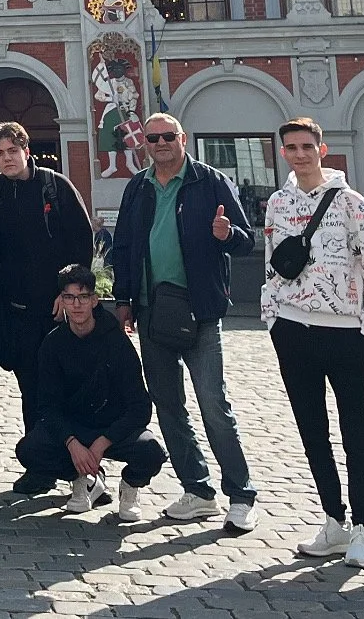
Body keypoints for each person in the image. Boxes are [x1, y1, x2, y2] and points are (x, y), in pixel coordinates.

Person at [108, 112, 259, 531]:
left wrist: (227, 235)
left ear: (183, 138)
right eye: (153, 138)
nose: (160, 143)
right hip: (151, 311)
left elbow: (246, 242)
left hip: (200, 311)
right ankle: (197, 489)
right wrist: (124, 300)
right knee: (169, 407)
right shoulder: (138, 186)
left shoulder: (209, 181)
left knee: (214, 406)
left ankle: (241, 493)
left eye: (167, 136)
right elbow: (123, 246)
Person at [260, 117, 364, 569]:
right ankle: (333, 521)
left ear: (322, 148)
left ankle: (363, 527)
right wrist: (273, 317)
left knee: (356, 432)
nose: (300, 154)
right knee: (312, 431)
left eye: (306, 146)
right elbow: (273, 265)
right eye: (291, 147)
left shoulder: (351, 202)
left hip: (345, 332)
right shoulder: (277, 202)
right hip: (293, 330)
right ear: (283, 153)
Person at [0, 121, 95, 466]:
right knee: (31, 390)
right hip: (16, 310)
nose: (7, 158)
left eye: (13, 150)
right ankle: (42, 464)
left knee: (67, 388)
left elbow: (81, 241)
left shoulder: (55, 186)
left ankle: (80, 465)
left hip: (57, 308)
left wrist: (70, 293)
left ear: (26, 151)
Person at [15, 265, 168, 523]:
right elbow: (48, 407)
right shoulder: (53, 344)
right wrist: (72, 443)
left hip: (114, 428)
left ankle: (130, 486)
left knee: (151, 450)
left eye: (83, 297)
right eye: (70, 297)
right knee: (30, 449)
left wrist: (102, 443)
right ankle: (82, 480)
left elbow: (140, 406)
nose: (76, 305)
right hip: (76, 427)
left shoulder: (116, 342)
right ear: (61, 301)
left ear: (94, 300)